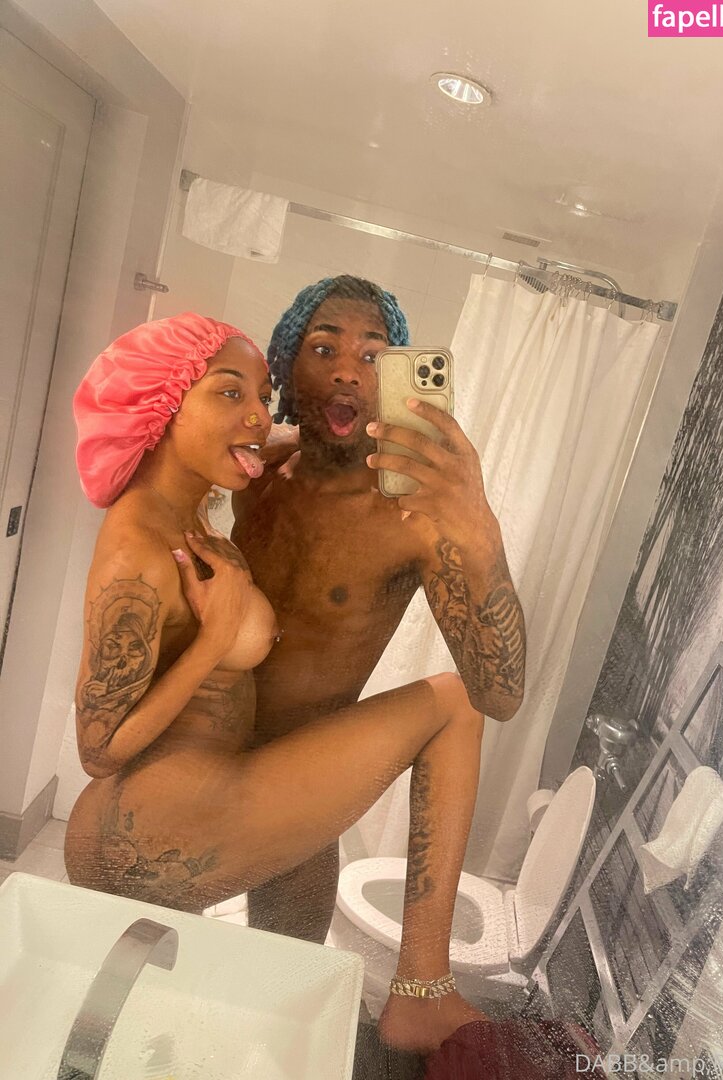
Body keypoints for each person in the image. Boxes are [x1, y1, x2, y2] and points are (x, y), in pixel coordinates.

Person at [64, 312, 494, 1053]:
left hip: (173, 809)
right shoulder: (137, 545)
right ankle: (422, 991)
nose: (259, 417)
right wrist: (215, 641)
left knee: (145, 1042)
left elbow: (289, 445)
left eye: (263, 395)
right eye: (230, 393)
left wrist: (368, 442)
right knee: (456, 703)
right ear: (163, 406)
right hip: (163, 822)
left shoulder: (190, 511)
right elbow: (96, 748)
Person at [231, 275, 526, 946]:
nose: (347, 371)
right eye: (323, 348)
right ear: (286, 363)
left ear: (392, 381)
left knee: (282, 967)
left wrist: (479, 530)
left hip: (305, 776)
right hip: (208, 747)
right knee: (163, 949)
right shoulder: (258, 476)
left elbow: (499, 694)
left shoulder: (411, 518)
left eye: (371, 355)